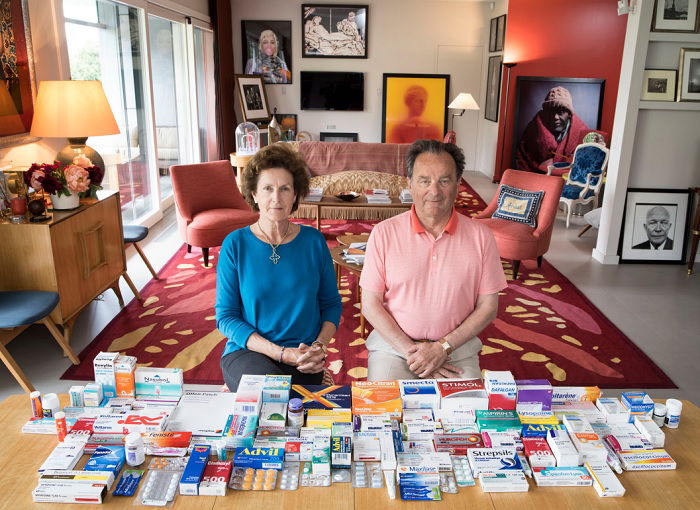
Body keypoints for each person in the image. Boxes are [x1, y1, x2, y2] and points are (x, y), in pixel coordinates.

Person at [360, 140, 507, 380]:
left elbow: (488, 307)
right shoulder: (384, 233)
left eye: (444, 181)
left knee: (466, 416)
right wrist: (417, 354)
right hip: (395, 349)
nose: (434, 191)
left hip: (456, 351)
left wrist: (442, 348)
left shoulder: (481, 236)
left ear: (459, 184)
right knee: (384, 412)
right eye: (424, 181)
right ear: (410, 183)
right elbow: (370, 304)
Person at [216, 144, 342, 391]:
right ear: (253, 194)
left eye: (285, 188)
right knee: (274, 396)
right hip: (249, 352)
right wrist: (281, 354)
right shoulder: (235, 244)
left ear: (295, 195)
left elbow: (331, 304)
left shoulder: (314, 241)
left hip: (303, 357)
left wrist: (318, 347)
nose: (277, 198)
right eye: (267, 188)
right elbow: (226, 317)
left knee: (302, 414)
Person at [515, 86, 591, 173]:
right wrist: (539, 166)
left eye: (560, 112)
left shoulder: (583, 133)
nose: (555, 117)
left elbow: (586, 165)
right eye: (551, 112)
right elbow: (522, 158)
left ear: (570, 114)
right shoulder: (533, 128)